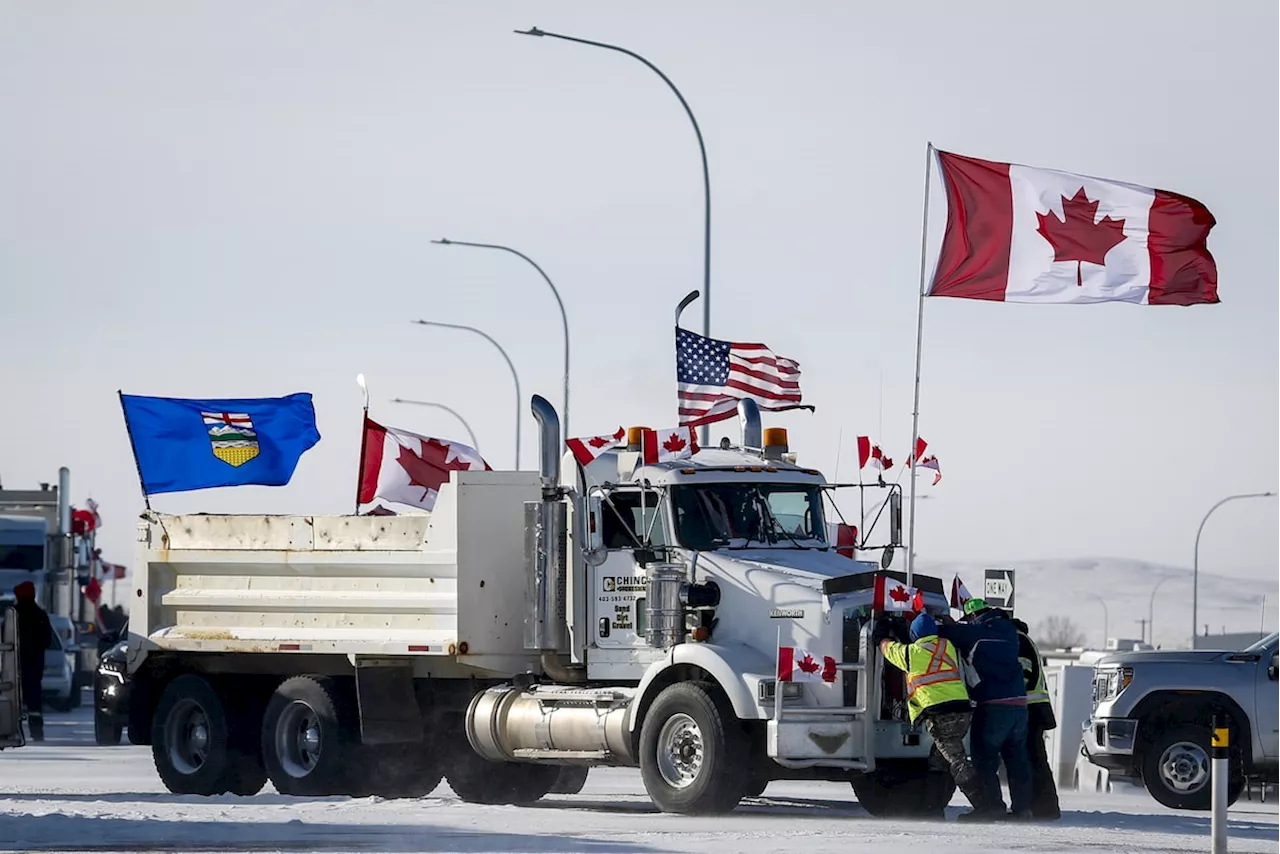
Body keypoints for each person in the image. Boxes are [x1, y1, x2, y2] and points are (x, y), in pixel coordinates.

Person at [875, 611, 989, 819]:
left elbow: (886, 648)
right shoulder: (947, 647)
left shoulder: (912, 654)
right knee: (938, 761)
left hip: (941, 715)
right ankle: (932, 808)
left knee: (957, 761)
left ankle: (986, 807)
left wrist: (883, 629)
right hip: (962, 711)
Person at [937, 598, 1033, 821]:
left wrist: (946, 625)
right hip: (1019, 705)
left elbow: (938, 633)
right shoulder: (1008, 629)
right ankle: (1023, 809)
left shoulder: (975, 633)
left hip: (994, 704)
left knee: (984, 758)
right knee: (1017, 758)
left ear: (972, 616)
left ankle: (991, 807)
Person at [1013, 617, 1061, 820]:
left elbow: (1024, 672)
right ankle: (1045, 807)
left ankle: (1045, 808)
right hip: (1034, 708)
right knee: (1036, 759)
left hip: (1030, 708)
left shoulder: (1019, 641)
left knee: (1034, 759)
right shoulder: (1024, 639)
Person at [13, 581, 51, 742]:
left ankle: (14, 732)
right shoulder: (40, 615)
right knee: (34, 703)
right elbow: (47, 640)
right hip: (35, 666)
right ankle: (37, 732)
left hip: (15, 665)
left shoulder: (14, 615)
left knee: (13, 700)